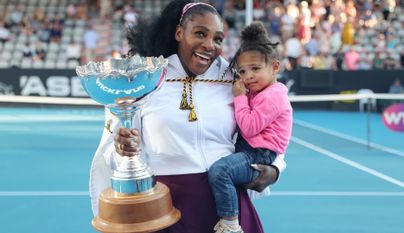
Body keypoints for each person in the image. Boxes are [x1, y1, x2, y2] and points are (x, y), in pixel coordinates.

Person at [89, 1, 286, 233]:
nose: (209, 45)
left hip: (227, 209)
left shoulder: (235, 79)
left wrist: (275, 169)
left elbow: (270, 125)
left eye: (218, 39)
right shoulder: (144, 78)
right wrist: (122, 148)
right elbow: (113, 149)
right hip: (164, 209)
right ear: (179, 33)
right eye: (200, 33)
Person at [208, 22, 292, 233]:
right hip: (252, 150)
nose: (248, 77)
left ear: (274, 67)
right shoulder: (261, 92)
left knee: (221, 170)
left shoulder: (273, 96)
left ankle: (230, 224)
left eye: (255, 69)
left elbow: (249, 126)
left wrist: (239, 98)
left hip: (258, 154)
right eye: (242, 71)